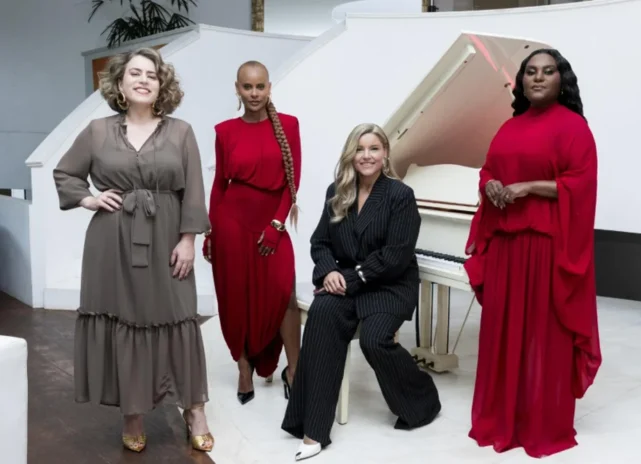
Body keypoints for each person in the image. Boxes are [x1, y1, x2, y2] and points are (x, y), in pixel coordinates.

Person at [53, 47, 214, 452]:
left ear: (162, 85)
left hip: (167, 238)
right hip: (112, 242)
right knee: (124, 319)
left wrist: (189, 239)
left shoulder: (181, 131)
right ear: (120, 84)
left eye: (152, 75)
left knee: (178, 317)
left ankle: (194, 409)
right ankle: (133, 412)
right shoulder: (97, 131)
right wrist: (89, 199)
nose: (144, 80)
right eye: (135, 73)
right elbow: (65, 173)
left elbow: (194, 190)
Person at [463, 48, 602, 458]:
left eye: (548, 71)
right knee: (504, 333)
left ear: (562, 80)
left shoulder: (574, 128)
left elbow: (581, 184)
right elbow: (489, 168)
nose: (538, 78)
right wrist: (489, 184)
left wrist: (528, 187)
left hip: (545, 249)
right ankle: (501, 416)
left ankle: (542, 422)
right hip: (506, 249)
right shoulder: (509, 127)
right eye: (531, 72)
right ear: (521, 81)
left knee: (544, 337)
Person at [282, 123, 441, 461]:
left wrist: (350, 278)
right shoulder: (337, 192)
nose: (366, 156)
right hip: (345, 280)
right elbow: (320, 243)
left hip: (389, 284)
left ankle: (422, 399)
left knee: (374, 340)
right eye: (359, 149)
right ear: (350, 155)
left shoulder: (400, 195)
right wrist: (328, 272)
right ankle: (313, 428)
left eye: (374, 148)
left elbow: (396, 256)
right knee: (322, 314)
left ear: (385, 154)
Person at [204, 60, 302, 405]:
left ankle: (295, 369)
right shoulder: (225, 131)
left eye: (260, 86)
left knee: (284, 294)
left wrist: (276, 225)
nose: (254, 93)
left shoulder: (288, 125)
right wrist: (210, 232)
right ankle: (243, 367)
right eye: (248, 87)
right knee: (236, 299)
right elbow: (220, 185)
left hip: (270, 221)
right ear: (238, 89)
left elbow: (292, 183)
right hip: (231, 225)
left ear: (269, 87)